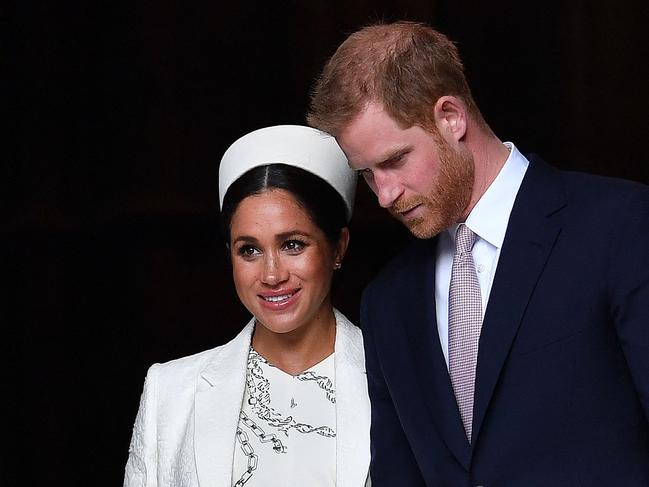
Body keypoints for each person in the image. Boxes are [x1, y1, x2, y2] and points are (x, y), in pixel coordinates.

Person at [307, 21, 649, 486]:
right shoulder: (388, 301)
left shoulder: (619, 226)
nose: (383, 195)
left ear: (451, 116)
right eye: (367, 173)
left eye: (394, 160)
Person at [123, 125, 370, 487]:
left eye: (293, 245)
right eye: (249, 250)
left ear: (338, 247)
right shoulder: (171, 391)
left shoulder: (396, 381)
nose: (271, 275)